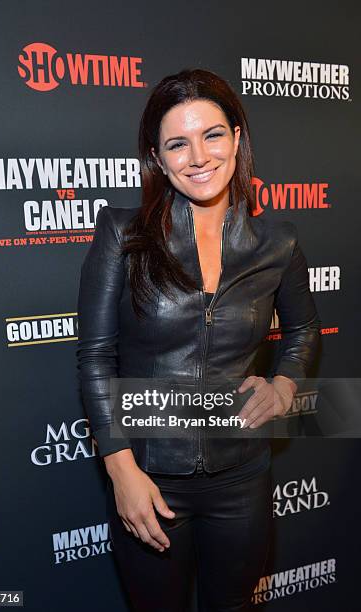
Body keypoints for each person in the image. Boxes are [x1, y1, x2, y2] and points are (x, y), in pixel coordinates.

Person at [76, 68, 321, 612]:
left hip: (243, 482)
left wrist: (284, 385)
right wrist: (121, 470)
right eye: (177, 144)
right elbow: (96, 355)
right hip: (149, 480)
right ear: (158, 159)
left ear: (237, 137)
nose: (199, 156)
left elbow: (303, 330)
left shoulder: (278, 242)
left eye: (212, 134)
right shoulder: (123, 236)